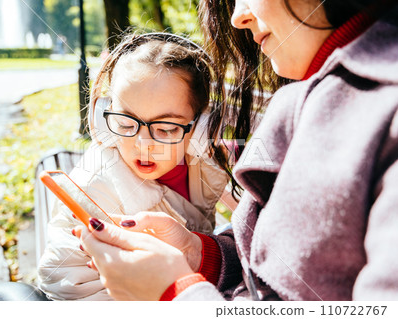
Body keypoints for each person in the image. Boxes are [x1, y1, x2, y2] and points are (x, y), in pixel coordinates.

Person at [73, 0, 398, 301]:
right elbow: (274, 265)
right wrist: (201, 256)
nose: (237, 16)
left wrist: (177, 292)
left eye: (167, 128)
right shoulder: (317, 91)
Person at [37, 33, 230, 300]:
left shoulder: (203, 163)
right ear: (102, 118)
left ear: (199, 129)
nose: (142, 144)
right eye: (126, 123)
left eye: (165, 128)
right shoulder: (92, 191)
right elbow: (71, 289)